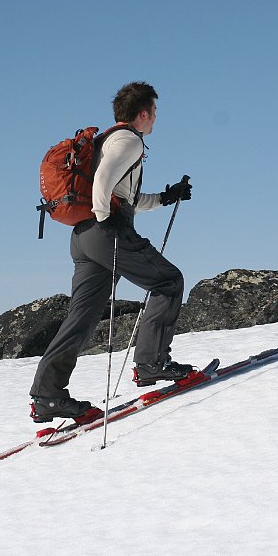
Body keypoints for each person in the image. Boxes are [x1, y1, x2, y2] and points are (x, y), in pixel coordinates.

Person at [30, 81, 194, 422]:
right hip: (106, 232)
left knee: (82, 317)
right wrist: (107, 222)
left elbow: (124, 196)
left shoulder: (107, 140)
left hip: (83, 236)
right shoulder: (129, 140)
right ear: (144, 113)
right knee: (168, 282)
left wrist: (166, 197)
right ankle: (151, 363)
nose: (156, 119)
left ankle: (48, 396)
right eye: (155, 112)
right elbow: (104, 184)